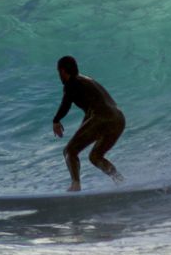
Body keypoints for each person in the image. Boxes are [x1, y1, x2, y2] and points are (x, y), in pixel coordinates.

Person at [52, 55, 125, 191]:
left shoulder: (71, 83)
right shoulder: (87, 81)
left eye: (59, 72)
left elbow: (65, 104)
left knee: (70, 150)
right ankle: (121, 182)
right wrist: (80, 132)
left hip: (103, 117)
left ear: (62, 71)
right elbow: (92, 112)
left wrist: (56, 120)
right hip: (118, 119)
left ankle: (75, 185)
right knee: (95, 156)